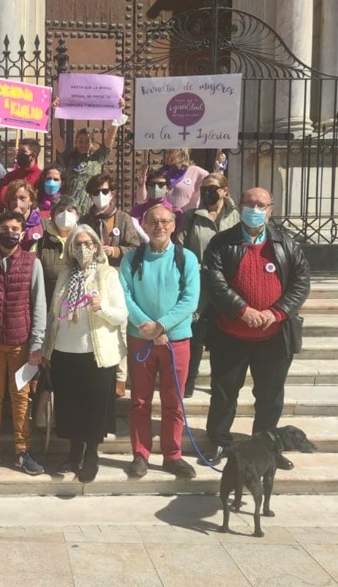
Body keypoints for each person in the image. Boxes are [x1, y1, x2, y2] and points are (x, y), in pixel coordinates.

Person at [201, 187, 311, 469]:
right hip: (230, 334)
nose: (255, 209)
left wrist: (276, 313)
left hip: (274, 337)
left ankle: (265, 448)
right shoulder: (222, 242)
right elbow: (214, 281)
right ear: (239, 206)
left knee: (270, 397)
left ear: (270, 209)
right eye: (249, 203)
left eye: (261, 204)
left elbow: (301, 284)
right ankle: (219, 443)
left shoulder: (286, 243)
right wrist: (242, 310)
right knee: (224, 394)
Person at [119, 206, 201, 480]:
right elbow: (125, 296)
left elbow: (190, 299)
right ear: (144, 224)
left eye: (165, 221)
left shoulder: (186, 258)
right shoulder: (132, 259)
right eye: (153, 221)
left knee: (173, 400)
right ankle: (141, 454)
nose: (159, 226)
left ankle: (172, 455)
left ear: (173, 225)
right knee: (140, 401)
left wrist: (162, 326)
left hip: (176, 339)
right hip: (140, 338)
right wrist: (150, 328)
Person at [44, 225, 127, 483]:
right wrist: (47, 348)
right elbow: (53, 313)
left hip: (95, 353)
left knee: (94, 408)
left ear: (96, 246)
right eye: (77, 244)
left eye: (87, 243)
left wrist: (100, 307)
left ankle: (91, 454)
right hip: (65, 352)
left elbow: (121, 315)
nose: (82, 248)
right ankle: (74, 452)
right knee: (70, 407)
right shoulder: (65, 274)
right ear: (70, 248)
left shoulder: (107, 274)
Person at [0, 210, 47, 475]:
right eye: (6, 228)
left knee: (20, 398)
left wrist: (37, 344)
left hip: (21, 342)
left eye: (16, 228)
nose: (11, 233)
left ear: (23, 233)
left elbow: (39, 305)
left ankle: (22, 451)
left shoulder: (31, 262)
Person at [177, 172, 239, 396]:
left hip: (228, 285)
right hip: (199, 285)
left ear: (224, 190)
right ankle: (188, 383)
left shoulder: (236, 217)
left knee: (223, 338)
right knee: (195, 335)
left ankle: (220, 384)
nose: (208, 193)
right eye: (204, 189)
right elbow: (180, 248)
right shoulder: (191, 216)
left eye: (213, 188)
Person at [82, 173, 141, 268]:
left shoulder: (123, 218)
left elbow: (135, 248)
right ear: (90, 197)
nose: (100, 195)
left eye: (105, 191)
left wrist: (114, 251)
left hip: (117, 272)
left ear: (112, 194)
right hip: (92, 273)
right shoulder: (84, 221)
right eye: (96, 192)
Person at [36, 200, 80, 305]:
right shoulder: (40, 245)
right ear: (53, 216)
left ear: (77, 216)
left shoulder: (86, 241)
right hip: (50, 306)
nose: (65, 214)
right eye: (60, 211)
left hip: (80, 308)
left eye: (70, 210)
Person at [2, 179, 45, 251]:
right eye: (13, 199)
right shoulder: (1, 223)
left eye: (22, 198)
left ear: (31, 200)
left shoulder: (42, 224)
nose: (17, 203)